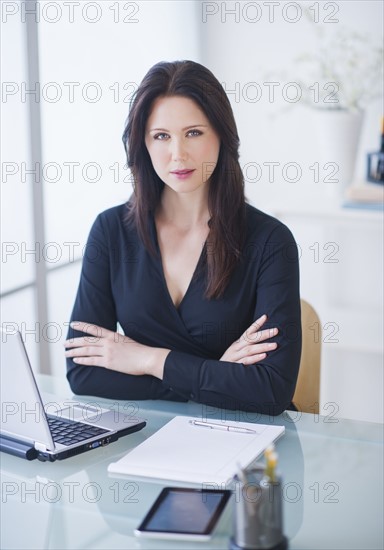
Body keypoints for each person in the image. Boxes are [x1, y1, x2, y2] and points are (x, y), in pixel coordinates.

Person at [64, 60, 301, 415]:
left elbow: (270, 390)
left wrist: (147, 358)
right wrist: (216, 374)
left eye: (194, 133)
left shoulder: (269, 241)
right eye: (161, 136)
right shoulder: (110, 231)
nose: (178, 154)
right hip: (150, 440)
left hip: (247, 440)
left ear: (222, 135)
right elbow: (83, 373)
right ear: (142, 144)